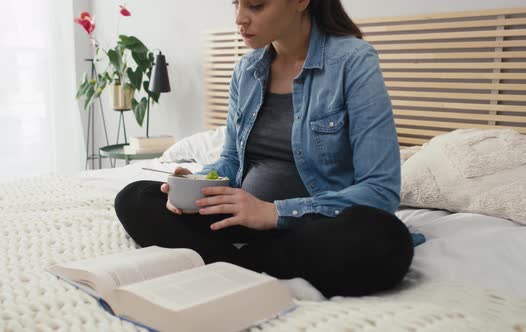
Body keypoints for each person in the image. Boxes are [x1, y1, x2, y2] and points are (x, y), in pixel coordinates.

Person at [115, 0, 413, 299]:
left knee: (385, 239)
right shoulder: (247, 69)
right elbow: (231, 160)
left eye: (256, 5)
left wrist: (273, 213)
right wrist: (197, 184)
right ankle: (254, 262)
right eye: (236, 4)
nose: (239, 19)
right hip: (238, 220)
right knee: (135, 197)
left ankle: (231, 261)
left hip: (314, 228)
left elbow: (380, 191)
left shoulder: (353, 61)